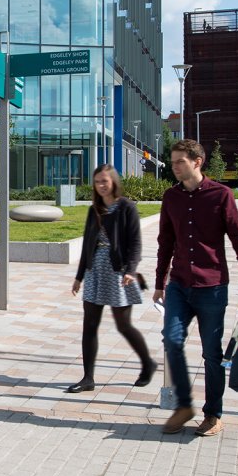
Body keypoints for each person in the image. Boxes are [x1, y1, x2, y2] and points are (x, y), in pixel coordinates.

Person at [153, 140, 238, 437]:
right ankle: (184, 406)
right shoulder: (170, 197)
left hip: (212, 286)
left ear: (197, 162)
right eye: (172, 162)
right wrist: (161, 281)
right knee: (171, 341)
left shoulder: (221, 195)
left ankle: (213, 415)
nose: (173, 167)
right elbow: (165, 242)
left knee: (211, 354)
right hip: (179, 285)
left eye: (179, 162)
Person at [67, 165, 157, 393]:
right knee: (89, 325)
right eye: (97, 182)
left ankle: (148, 363)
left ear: (114, 181)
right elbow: (88, 243)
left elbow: (136, 243)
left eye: (105, 181)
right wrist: (79, 277)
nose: (101, 186)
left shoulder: (127, 207)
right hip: (94, 271)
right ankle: (88, 378)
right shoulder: (93, 209)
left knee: (123, 325)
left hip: (118, 272)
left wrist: (131, 269)